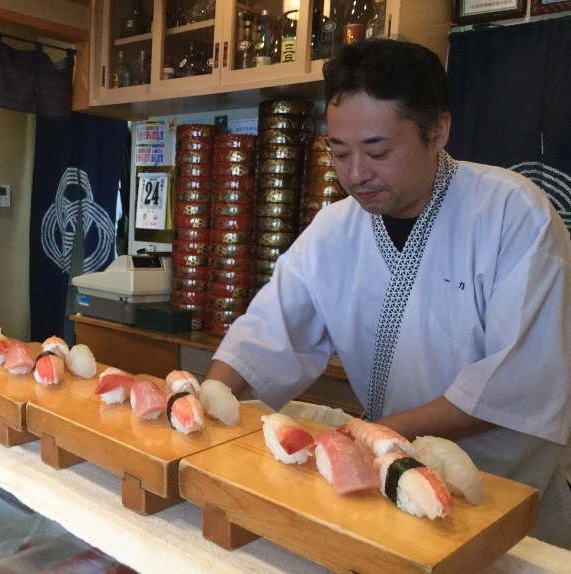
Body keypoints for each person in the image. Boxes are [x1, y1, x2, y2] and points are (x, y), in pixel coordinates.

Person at [206, 38, 571, 548]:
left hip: (498, 495)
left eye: (377, 151)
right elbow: (268, 334)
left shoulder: (513, 215)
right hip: (389, 481)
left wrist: (364, 436)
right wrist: (203, 402)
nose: (355, 174)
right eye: (339, 152)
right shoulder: (334, 229)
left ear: (438, 130)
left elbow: (511, 385)